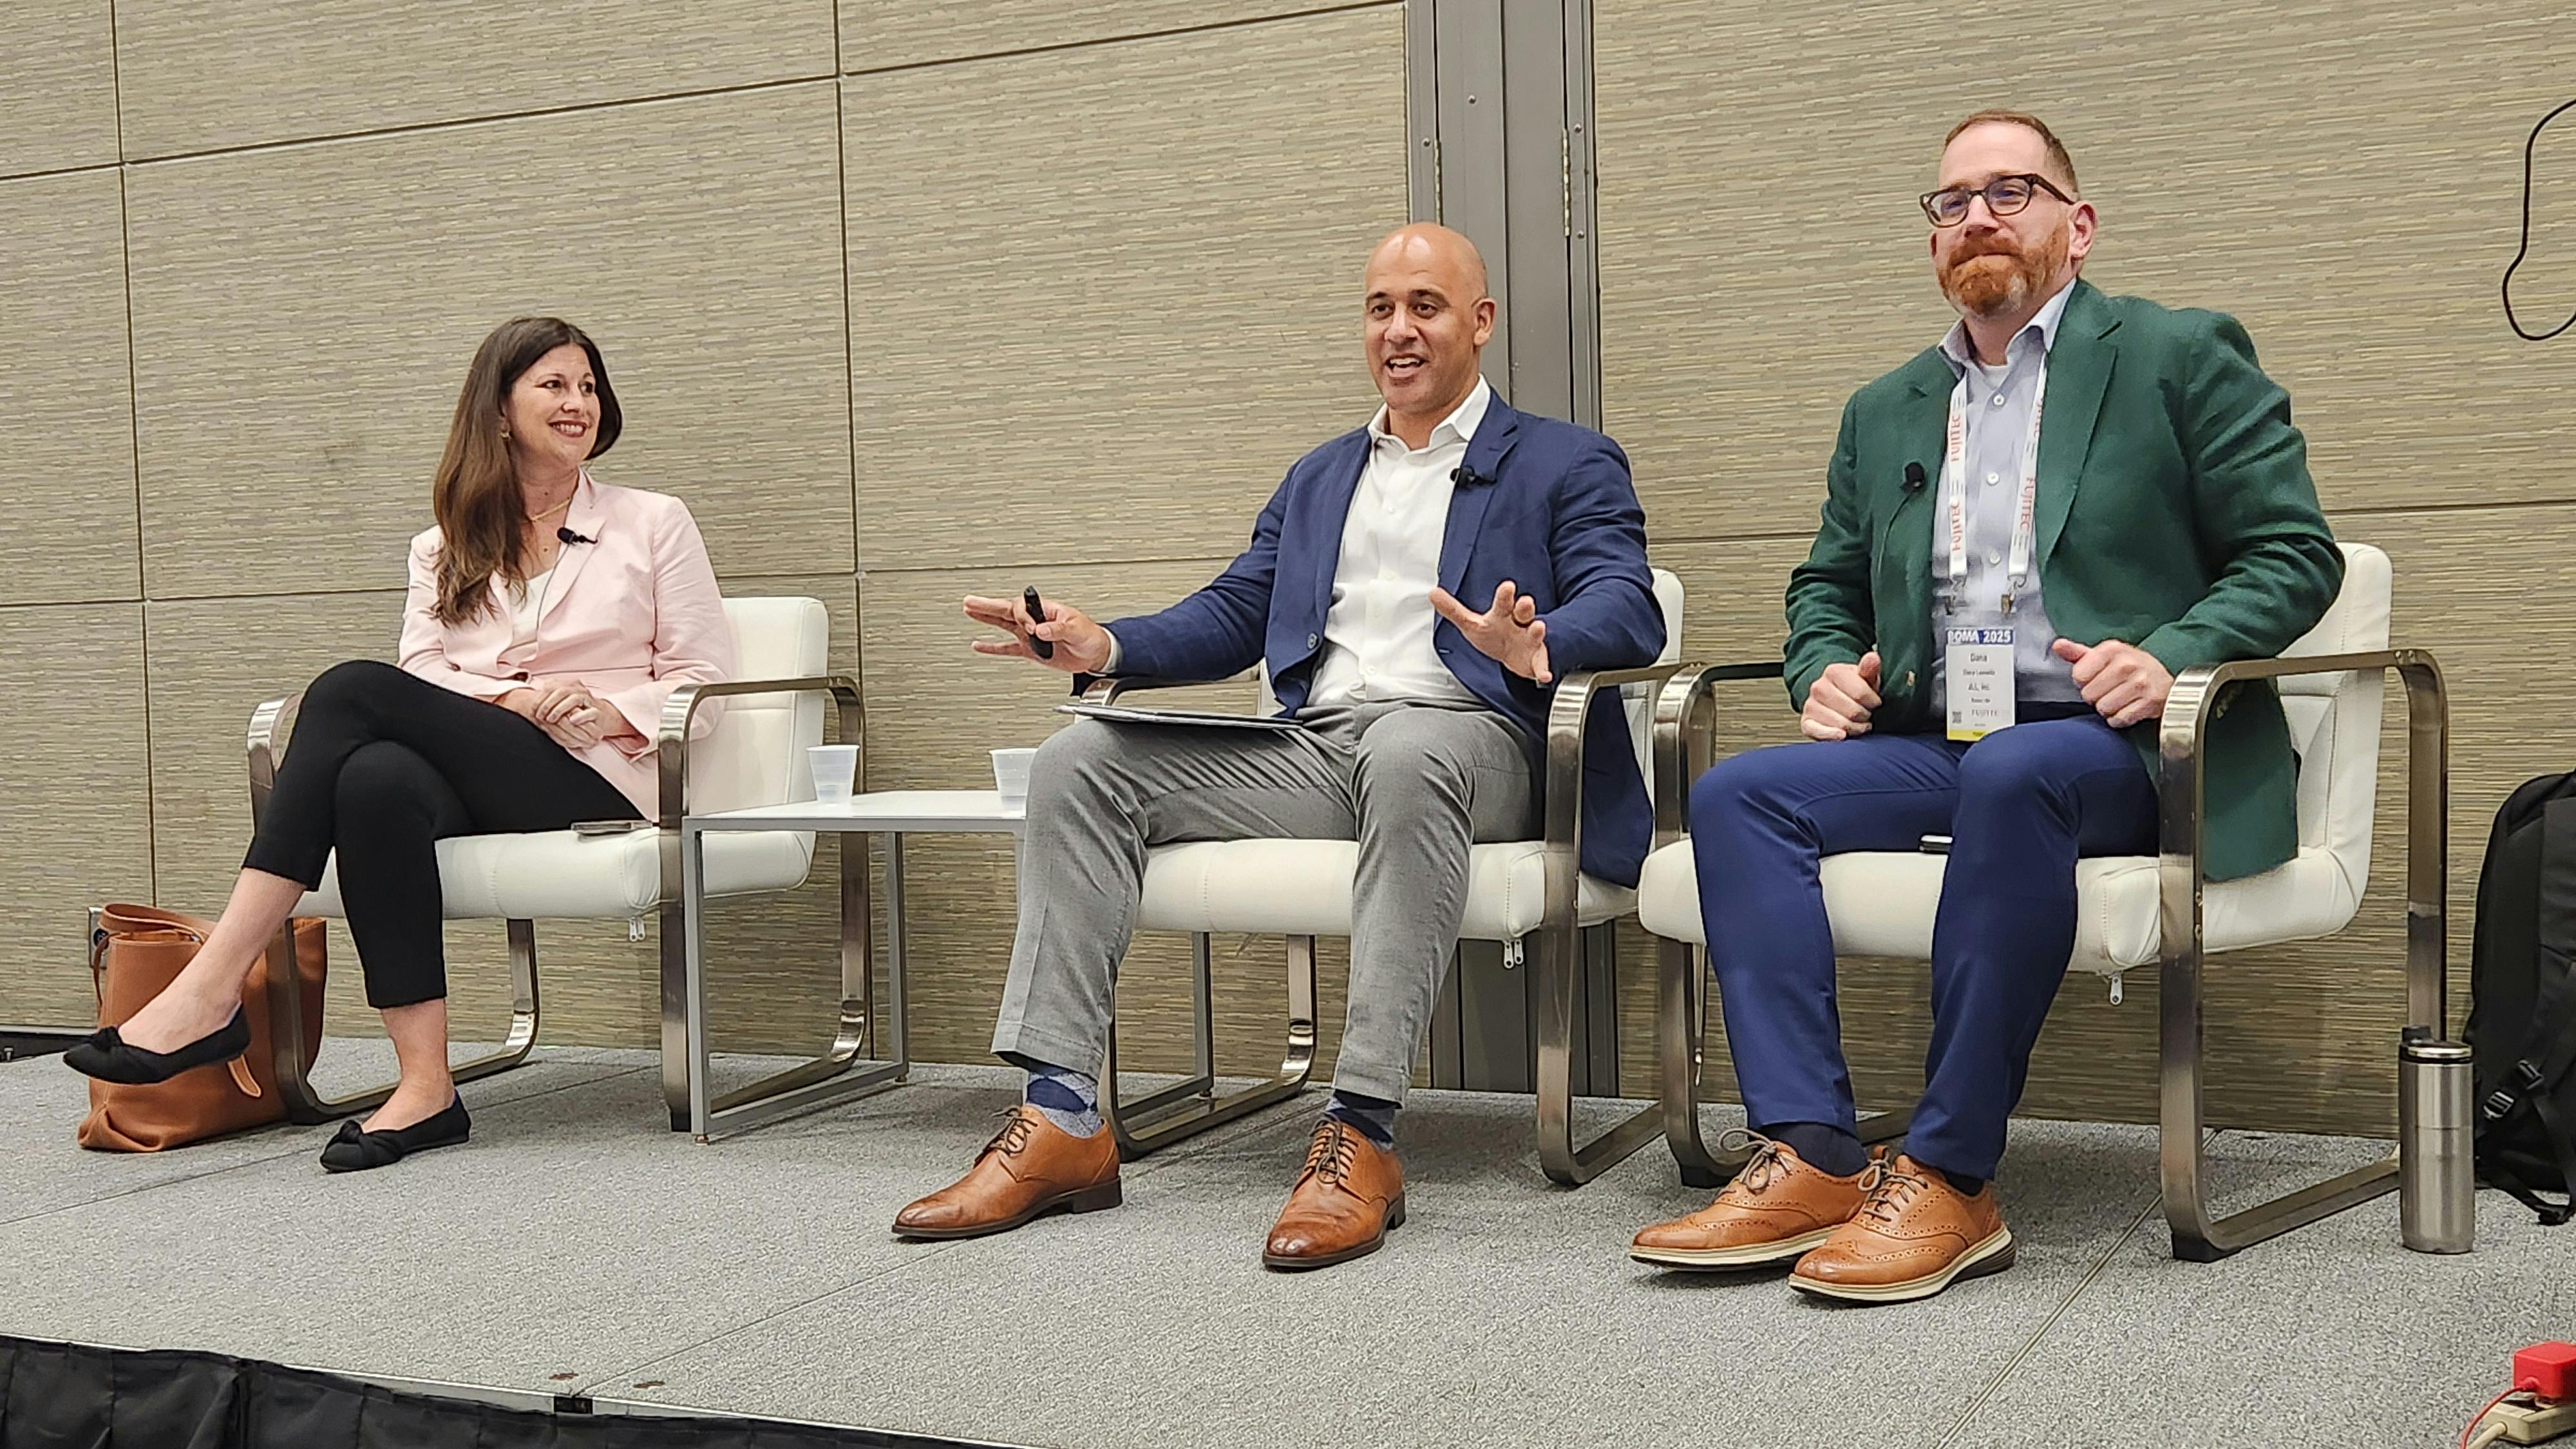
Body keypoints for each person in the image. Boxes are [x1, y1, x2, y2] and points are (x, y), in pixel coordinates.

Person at [1627, 111, 2343, 1303]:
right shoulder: (1888, 406)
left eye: (2011, 191)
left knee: (2019, 771)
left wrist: (2171, 653)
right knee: (1738, 793)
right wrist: (1822, 671)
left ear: (2080, 222)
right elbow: (1825, 583)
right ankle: (1811, 1151)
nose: (1977, 219)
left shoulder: (2177, 354)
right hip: (1944, 734)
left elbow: (2292, 555)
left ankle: (1954, 1175)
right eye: (1951, 201)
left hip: (2129, 746)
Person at [894, 223, 1664, 1270]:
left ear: (1480, 323)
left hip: (1482, 743)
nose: (1399, 329)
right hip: (1318, 746)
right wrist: (1105, 640)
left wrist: (1540, 642)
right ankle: (1065, 1113)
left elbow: (1629, 606)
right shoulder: (1320, 475)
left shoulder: (1567, 459)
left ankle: (1362, 1131)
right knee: (1082, 761)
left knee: (1407, 751)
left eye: (1426, 306)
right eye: (1380, 307)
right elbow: (1237, 609)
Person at [66, 317, 735, 1173]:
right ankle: (426, 1087)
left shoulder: (653, 522)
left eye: (588, 387)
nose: (578, 404)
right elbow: (425, 675)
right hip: (489, 761)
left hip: (601, 771)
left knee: (350, 690)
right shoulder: (444, 544)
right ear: (498, 411)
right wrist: (517, 698)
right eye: (554, 386)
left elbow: (703, 681)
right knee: (373, 779)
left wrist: (603, 708)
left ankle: (212, 983)